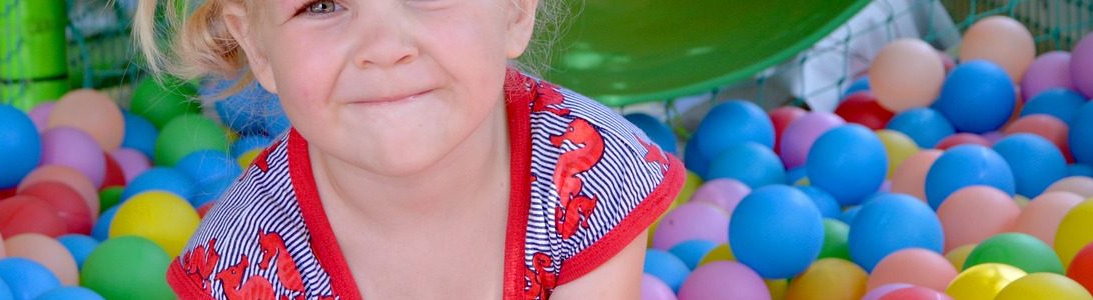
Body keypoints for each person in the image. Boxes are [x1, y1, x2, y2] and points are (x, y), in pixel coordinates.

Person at [133, 0, 685, 296]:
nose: (384, 49)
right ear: (256, 44)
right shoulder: (245, 265)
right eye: (322, 5)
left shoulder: (589, 168)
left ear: (515, 9)